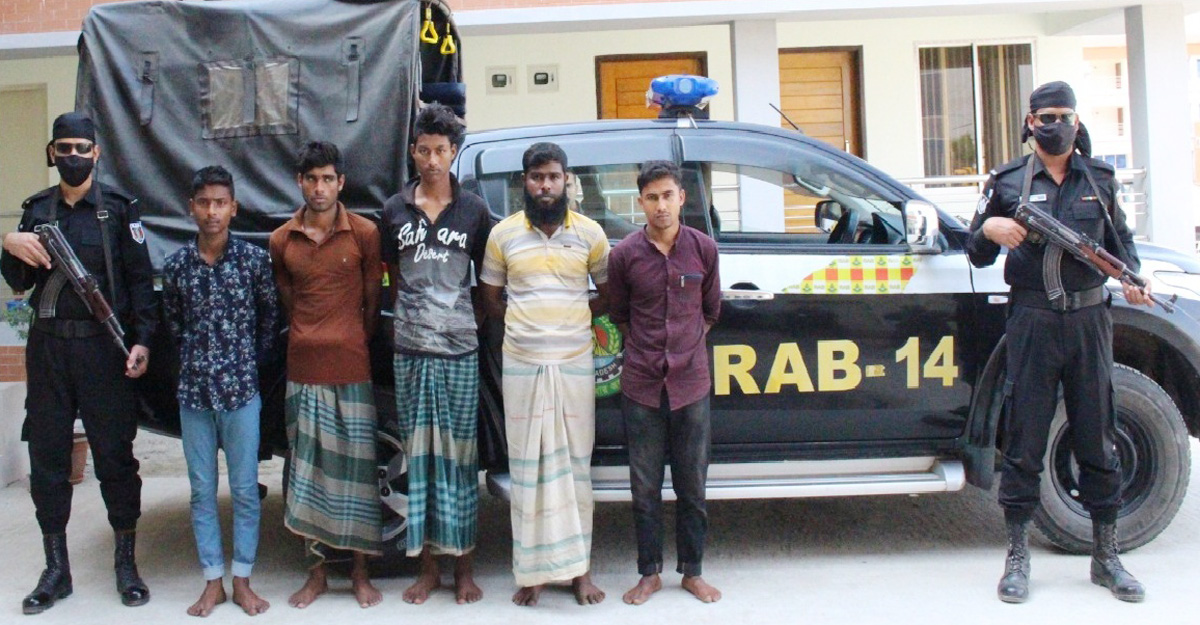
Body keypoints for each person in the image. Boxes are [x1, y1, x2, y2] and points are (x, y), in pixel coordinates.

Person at [967, 81, 1153, 604]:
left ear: (1077, 121)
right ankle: (1017, 555)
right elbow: (974, 251)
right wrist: (991, 229)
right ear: (1030, 123)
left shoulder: (1099, 179)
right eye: (1045, 117)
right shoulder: (1007, 182)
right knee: (1025, 437)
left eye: (1064, 116)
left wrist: (1132, 278)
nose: (1055, 125)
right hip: (1033, 320)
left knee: (1097, 434)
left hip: (1089, 320)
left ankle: (1106, 555)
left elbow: (1121, 243)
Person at [1, 112, 155, 613]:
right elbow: (19, 282)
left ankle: (126, 563)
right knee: (48, 460)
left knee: (115, 458)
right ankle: (56, 569)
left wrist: (142, 342)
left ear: (96, 153)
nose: (72, 156)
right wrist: (9, 243)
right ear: (52, 152)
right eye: (64, 147)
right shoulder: (36, 211)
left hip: (102, 351)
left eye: (81, 148)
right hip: (48, 350)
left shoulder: (118, 211)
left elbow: (140, 283)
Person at [479, 142, 610, 607]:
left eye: (553, 176)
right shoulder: (503, 235)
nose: (546, 186)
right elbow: (490, 299)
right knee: (528, 469)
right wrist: (529, 325)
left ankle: (580, 573)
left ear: (567, 180)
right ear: (525, 183)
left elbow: (608, 293)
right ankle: (532, 574)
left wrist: (570, 321)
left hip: (574, 364)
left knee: (575, 469)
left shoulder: (591, 234)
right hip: (522, 364)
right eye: (537, 177)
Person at [379, 104, 492, 605]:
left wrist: (463, 324)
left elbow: (487, 282)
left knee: (460, 461)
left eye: (440, 151)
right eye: (423, 150)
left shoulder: (474, 211)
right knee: (419, 461)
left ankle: (464, 567)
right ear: (413, 152)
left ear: (453, 153)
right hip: (410, 351)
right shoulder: (393, 210)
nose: (431, 160)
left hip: (459, 351)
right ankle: (426, 568)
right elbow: (390, 276)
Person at [268, 141, 384, 609]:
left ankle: (359, 573)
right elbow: (289, 302)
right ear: (300, 182)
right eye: (312, 179)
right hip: (303, 370)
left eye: (328, 179)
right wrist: (314, 337)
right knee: (307, 474)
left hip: (351, 368)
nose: (320, 187)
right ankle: (315, 574)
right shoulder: (282, 240)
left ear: (341, 183)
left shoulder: (364, 233)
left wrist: (349, 339)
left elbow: (372, 302)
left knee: (357, 473)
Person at [162, 166, 278, 617]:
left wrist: (245, 366)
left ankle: (243, 580)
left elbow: (269, 321)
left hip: (241, 394)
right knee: (201, 491)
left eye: (220, 203)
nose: (212, 211)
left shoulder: (253, 261)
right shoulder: (177, 267)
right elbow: (174, 327)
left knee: (246, 490)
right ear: (191, 208)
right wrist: (197, 364)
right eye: (204, 203)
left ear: (234, 208)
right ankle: (213, 581)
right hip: (194, 395)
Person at [607, 161, 722, 605]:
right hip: (642, 385)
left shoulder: (703, 249)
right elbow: (620, 315)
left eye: (668, 196)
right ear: (640, 202)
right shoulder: (625, 255)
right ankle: (649, 573)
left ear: (682, 198)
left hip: (691, 385)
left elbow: (710, 311)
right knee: (644, 487)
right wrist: (650, 350)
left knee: (692, 485)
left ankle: (693, 572)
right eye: (652, 197)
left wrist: (684, 349)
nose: (661, 205)